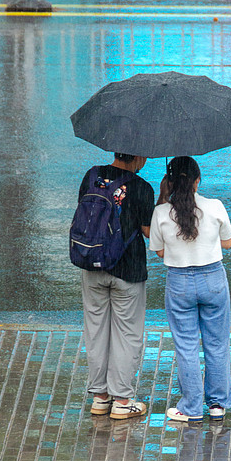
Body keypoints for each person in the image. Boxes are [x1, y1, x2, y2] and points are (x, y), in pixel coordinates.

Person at [149, 156, 231, 423]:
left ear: (170, 181)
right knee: (217, 343)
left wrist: (163, 198)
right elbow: (228, 243)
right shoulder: (215, 206)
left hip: (179, 282)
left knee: (186, 346)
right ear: (198, 181)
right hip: (213, 279)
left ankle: (192, 408)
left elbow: (159, 251)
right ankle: (217, 405)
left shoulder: (161, 212)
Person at [79, 152, 154, 419]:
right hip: (128, 269)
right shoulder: (142, 187)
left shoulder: (92, 176)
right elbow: (148, 232)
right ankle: (122, 401)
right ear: (138, 155)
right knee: (126, 334)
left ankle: (100, 398)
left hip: (92, 263)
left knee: (96, 332)